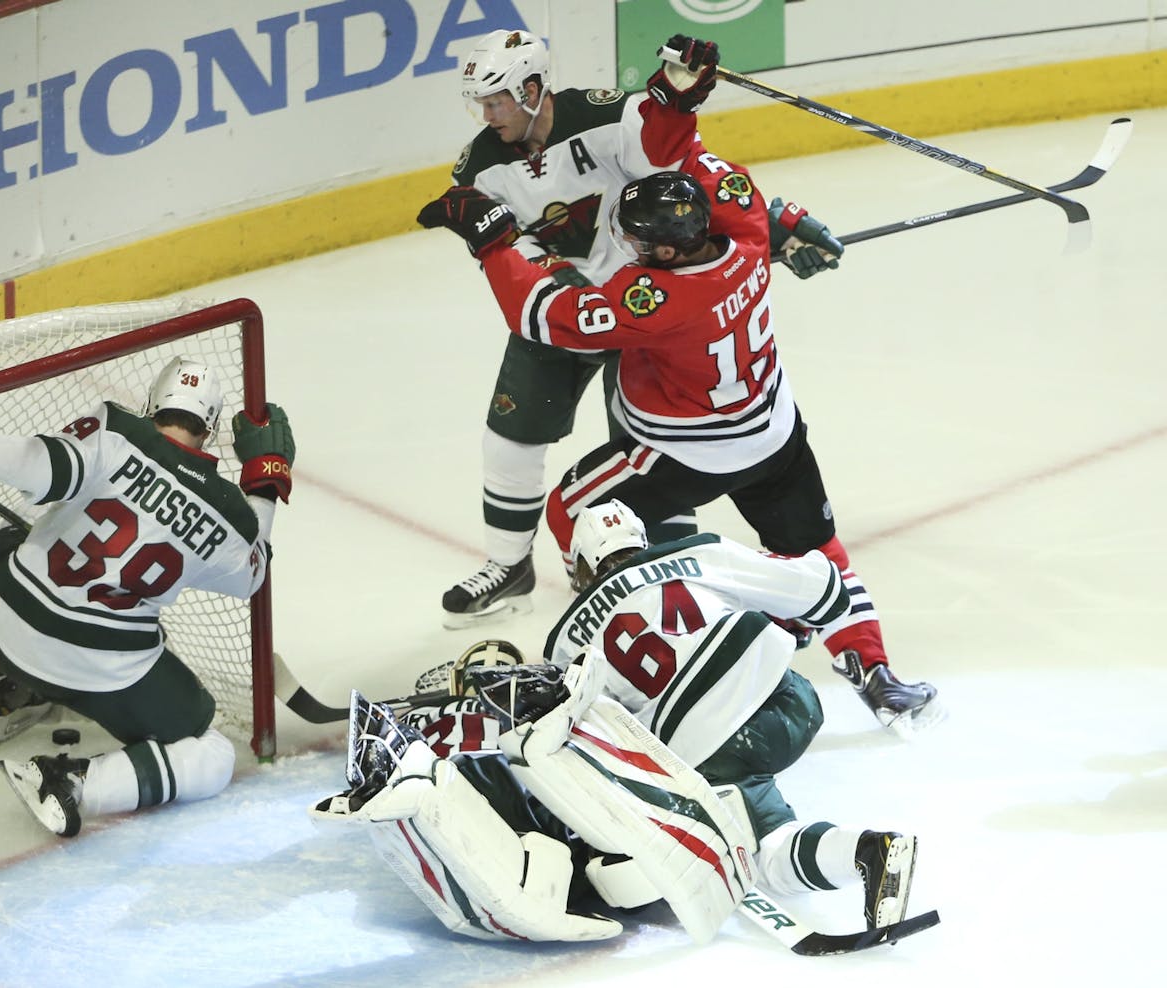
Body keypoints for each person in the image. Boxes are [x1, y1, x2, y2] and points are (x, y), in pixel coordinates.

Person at [416, 149, 939, 736]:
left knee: (573, 511)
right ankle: (878, 676)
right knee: (819, 552)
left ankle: (624, 655)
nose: (633, 252)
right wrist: (782, 217)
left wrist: (492, 243)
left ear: (666, 251)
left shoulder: (659, 301)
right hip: (773, 434)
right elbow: (708, 166)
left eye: (640, 245)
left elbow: (544, 314)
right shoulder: (743, 233)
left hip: (682, 453)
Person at [310, 505, 924, 943]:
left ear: (579, 567)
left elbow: (583, 732)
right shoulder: (697, 552)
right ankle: (865, 851)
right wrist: (795, 613)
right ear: (641, 538)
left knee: (755, 852)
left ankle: (844, 848)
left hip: (705, 748)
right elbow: (824, 587)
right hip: (789, 706)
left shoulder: (565, 638)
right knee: (761, 812)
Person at [430, 29, 844, 628]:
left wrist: (763, 209)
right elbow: (506, 241)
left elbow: (681, 165)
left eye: (495, 99)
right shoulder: (481, 165)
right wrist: (556, 280)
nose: (486, 115)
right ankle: (508, 565)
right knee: (511, 433)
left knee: (651, 454)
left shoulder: (608, 115)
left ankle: (667, 573)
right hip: (565, 307)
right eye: (480, 103)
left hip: (645, 302)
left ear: (531, 87)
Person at [0, 355, 295, 836]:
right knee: (212, 753)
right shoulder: (230, 514)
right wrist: (264, 480)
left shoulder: (115, 427)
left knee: (20, 531)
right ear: (210, 429)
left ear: (151, 405)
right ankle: (73, 783)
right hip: (104, 673)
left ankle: (9, 683)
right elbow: (252, 575)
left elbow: (41, 468)